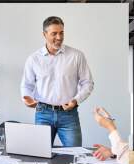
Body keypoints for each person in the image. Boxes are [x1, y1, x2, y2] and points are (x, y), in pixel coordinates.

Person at [21, 16, 94, 147]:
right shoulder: (34, 59)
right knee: (40, 155)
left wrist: (75, 100)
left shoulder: (76, 56)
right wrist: (27, 98)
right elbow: (27, 85)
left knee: (75, 155)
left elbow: (88, 83)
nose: (59, 37)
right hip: (43, 113)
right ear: (44, 34)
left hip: (69, 115)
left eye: (61, 32)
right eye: (54, 33)